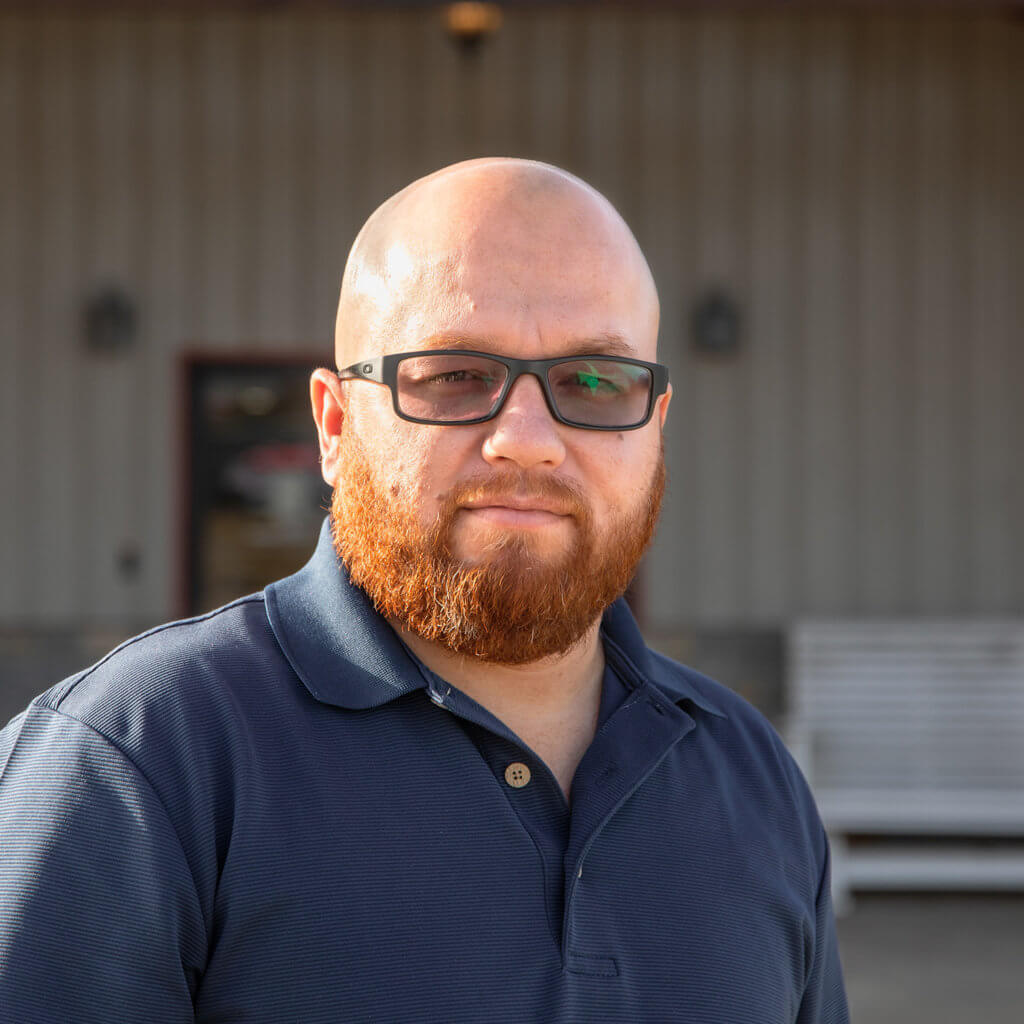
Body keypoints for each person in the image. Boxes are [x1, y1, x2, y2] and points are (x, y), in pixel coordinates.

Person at [0, 158, 848, 1022]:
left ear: (655, 428)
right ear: (335, 425)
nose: (528, 439)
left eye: (594, 381)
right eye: (454, 376)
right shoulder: (138, 760)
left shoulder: (753, 780)